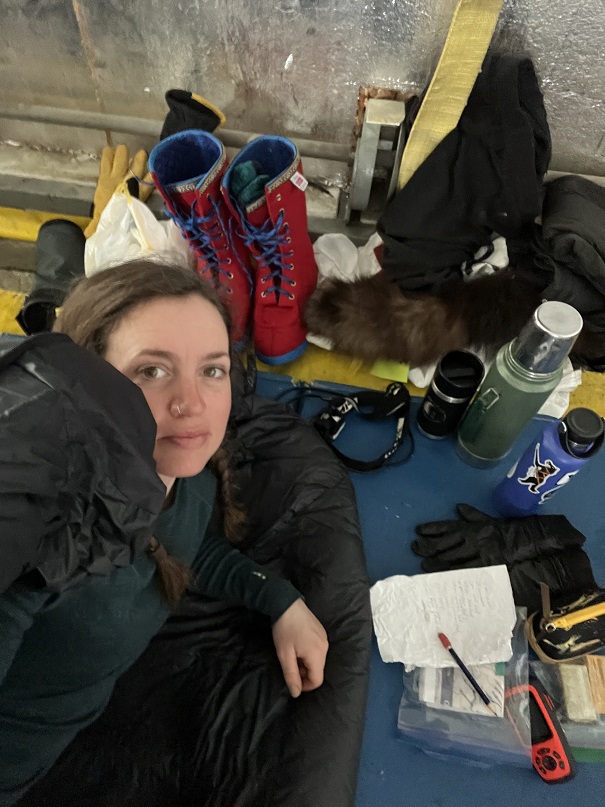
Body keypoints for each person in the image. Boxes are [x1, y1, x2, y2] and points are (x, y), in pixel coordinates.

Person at [0, 259, 328, 806]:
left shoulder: (187, 476)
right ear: (83, 384)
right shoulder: (44, 541)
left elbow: (184, 541)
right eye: (151, 371)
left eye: (212, 370)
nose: (191, 403)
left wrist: (279, 600)